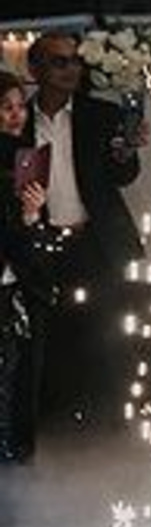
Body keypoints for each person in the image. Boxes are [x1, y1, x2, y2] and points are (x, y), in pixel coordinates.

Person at [24, 29, 143, 435]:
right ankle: (57, 423)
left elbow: (123, 176)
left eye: (75, 60)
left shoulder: (100, 115)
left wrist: (126, 152)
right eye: (59, 61)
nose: (70, 69)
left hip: (95, 241)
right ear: (34, 68)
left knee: (109, 335)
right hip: (40, 243)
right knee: (51, 337)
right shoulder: (16, 120)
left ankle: (113, 423)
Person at [0, 71, 55, 461]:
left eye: (20, 106)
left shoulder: (27, 158)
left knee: (22, 378)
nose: (15, 115)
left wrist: (33, 216)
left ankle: (18, 458)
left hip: (21, 285)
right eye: (5, 107)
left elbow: (32, 236)